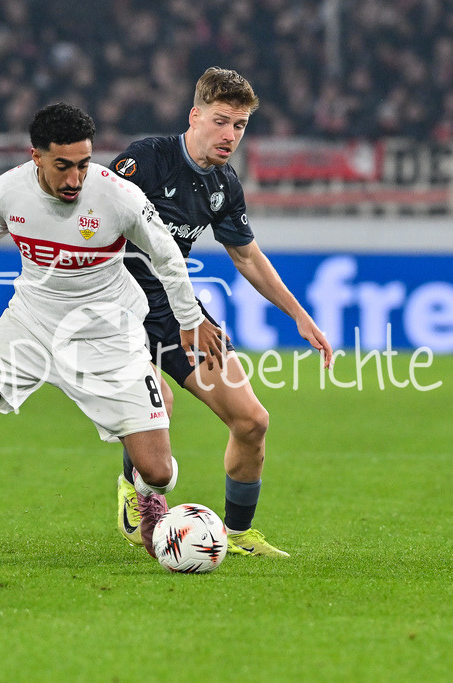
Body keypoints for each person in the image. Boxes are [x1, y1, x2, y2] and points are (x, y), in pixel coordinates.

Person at [0, 102, 225, 563]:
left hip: (107, 334)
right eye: (63, 166)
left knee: (159, 471)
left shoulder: (118, 196)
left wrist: (190, 320)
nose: (75, 179)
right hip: (31, 323)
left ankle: (147, 495)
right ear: (36, 156)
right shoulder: (6, 193)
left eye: (84, 164)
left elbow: (168, 257)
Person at [109, 67, 333, 558]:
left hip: (177, 312)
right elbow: (90, 217)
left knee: (252, 421)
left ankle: (238, 534)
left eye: (241, 126)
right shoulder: (145, 161)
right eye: (221, 121)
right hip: (112, 309)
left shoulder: (224, 186)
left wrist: (299, 315)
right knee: (158, 404)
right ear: (195, 116)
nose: (230, 135)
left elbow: (247, 256)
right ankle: (135, 490)